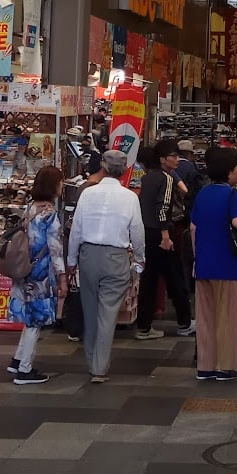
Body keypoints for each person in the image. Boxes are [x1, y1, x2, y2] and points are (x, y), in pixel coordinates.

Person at [67, 149, 144, 383]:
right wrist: (140, 259)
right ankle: (99, 367)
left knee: (89, 309)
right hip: (116, 256)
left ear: (103, 166)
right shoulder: (130, 197)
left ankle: (92, 361)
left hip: (88, 255)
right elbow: (137, 232)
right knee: (108, 312)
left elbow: (76, 230)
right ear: (124, 170)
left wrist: (71, 260)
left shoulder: (88, 194)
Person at [189, 145, 237, 380]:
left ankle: (205, 366)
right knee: (226, 317)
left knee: (205, 318)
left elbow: (194, 227)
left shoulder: (203, 193)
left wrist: (196, 257)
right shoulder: (232, 194)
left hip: (203, 262)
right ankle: (226, 366)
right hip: (226, 262)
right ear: (227, 171)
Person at [6, 166, 67, 385]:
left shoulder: (31, 209)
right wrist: (62, 277)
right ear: (54, 185)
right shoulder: (50, 215)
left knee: (29, 317)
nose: (62, 185)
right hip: (40, 273)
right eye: (60, 181)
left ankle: (17, 359)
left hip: (24, 269)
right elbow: (56, 250)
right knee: (35, 321)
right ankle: (25, 369)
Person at [136, 140, 195, 339]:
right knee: (175, 279)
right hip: (162, 235)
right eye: (173, 156)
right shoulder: (167, 179)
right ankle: (184, 323)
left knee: (149, 280)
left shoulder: (147, 178)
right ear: (162, 159)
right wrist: (165, 234)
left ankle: (143, 326)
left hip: (146, 233)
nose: (177, 159)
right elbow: (163, 208)